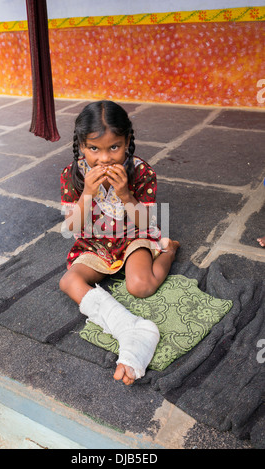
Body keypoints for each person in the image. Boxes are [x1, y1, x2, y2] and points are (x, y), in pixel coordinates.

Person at [59, 100, 180, 385]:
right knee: (68, 282)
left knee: (141, 286)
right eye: (94, 148)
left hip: (133, 237)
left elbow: (144, 224)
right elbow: (71, 227)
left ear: (127, 142)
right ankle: (128, 327)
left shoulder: (142, 173)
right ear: (81, 145)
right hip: (97, 244)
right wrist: (88, 192)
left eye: (114, 147)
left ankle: (170, 250)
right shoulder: (72, 175)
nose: (104, 159)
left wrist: (125, 194)